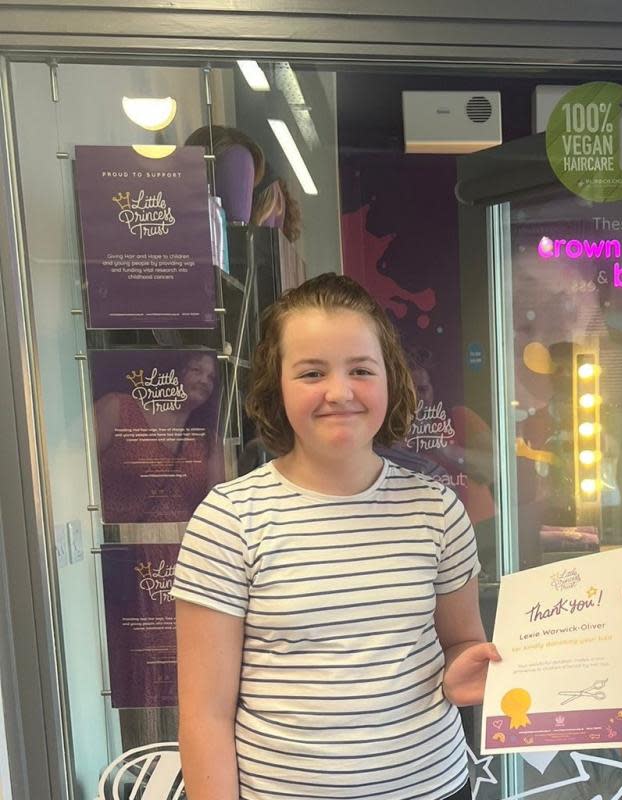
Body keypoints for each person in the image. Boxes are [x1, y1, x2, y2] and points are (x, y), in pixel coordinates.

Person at [172, 273, 498, 800]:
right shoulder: (229, 520)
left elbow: (460, 640)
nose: (339, 392)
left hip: (434, 788)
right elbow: (205, 715)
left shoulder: (436, 509)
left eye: (361, 370)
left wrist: (465, 671)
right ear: (276, 385)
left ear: (390, 379)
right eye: (311, 372)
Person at [94, 350, 223, 523]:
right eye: (196, 370)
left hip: (183, 546)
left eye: (211, 377)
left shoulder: (209, 441)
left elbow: (216, 507)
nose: (204, 381)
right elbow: (74, 468)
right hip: (117, 543)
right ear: (175, 371)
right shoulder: (118, 409)